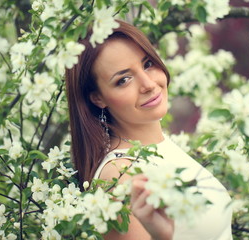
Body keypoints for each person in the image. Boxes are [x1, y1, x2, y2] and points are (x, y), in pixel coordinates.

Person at [65, 20, 233, 240]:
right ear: (98, 98)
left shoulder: (160, 146)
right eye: (123, 80)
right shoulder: (119, 176)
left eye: (147, 64)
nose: (148, 84)